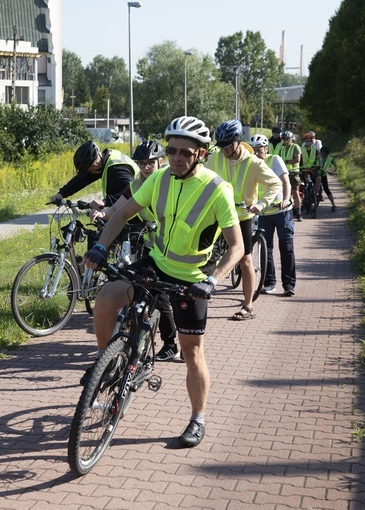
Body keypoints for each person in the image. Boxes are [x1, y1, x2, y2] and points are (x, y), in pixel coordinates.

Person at [83, 116, 244, 447]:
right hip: (156, 264)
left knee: (192, 352)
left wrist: (212, 281)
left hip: (193, 278)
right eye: (171, 150)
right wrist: (101, 245)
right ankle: (107, 364)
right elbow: (123, 212)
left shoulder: (217, 190)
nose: (176, 158)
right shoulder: (159, 179)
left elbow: (238, 246)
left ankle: (197, 419)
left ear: (201, 154)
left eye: (185, 153)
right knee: (105, 300)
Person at [90, 140, 179, 361]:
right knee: (132, 285)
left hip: (169, 247)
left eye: (150, 163)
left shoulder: (172, 182)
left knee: (161, 298)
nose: (146, 167)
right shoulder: (138, 183)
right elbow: (119, 207)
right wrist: (103, 214)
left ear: (161, 161)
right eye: (141, 163)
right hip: (146, 242)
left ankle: (171, 344)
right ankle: (126, 341)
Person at [207, 119, 281, 321]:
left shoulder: (254, 163)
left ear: (238, 141)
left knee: (245, 260)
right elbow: (202, 175)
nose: (223, 150)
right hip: (217, 214)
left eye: (227, 146)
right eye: (220, 146)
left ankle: (247, 306)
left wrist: (261, 204)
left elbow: (275, 183)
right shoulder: (216, 157)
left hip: (241, 217)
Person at [248, 134, 297, 297]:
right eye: (253, 150)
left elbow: (286, 182)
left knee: (286, 247)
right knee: (265, 249)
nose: (256, 153)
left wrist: (285, 199)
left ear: (266, 149)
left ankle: (289, 284)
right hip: (264, 213)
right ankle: (269, 283)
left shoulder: (274, 160)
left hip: (282, 211)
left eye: (259, 150)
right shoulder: (251, 164)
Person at [49, 140, 137, 211]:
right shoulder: (106, 160)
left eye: (87, 170)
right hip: (127, 210)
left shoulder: (116, 169)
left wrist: (105, 202)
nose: (88, 173)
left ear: (94, 165)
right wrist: (61, 194)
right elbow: (82, 179)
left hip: (138, 215)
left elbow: (131, 193)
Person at [279, 131, 303, 221]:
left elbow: (297, 159)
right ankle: (285, 213)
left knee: (295, 193)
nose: (286, 142)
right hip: (284, 173)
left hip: (293, 173)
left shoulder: (295, 147)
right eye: (284, 140)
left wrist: (286, 162)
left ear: (291, 139)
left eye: (288, 140)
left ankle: (299, 213)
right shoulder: (282, 149)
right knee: (284, 194)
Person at [317, 145, 338, 212]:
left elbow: (335, 165)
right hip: (316, 174)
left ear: (326, 153)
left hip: (323, 175)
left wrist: (334, 171)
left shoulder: (329, 159)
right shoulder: (317, 157)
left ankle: (333, 205)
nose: (321, 154)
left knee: (327, 190)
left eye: (323, 153)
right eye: (321, 152)